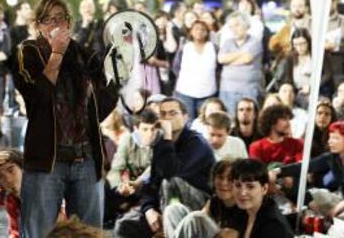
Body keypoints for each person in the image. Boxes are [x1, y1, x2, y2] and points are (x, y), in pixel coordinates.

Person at [12, 0, 118, 237]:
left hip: (86, 159)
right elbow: (37, 97)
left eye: (61, 18)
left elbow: (107, 98)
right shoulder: (27, 52)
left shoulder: (84, 53)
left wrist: (119, 75)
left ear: (70, 23)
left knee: (89, 233)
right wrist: (56, 55)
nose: (55, 25)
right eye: (48, 20)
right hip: (46, 162)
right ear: (37, 25)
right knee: (39, 232)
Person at [114, 97, 216, 238]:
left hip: (197, 208)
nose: (167, 118)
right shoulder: (162, 143)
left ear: (185, 117)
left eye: (173, 113)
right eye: (163, 114)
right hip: (165, 202)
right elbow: (154, 181)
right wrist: (149, 208)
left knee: (170, 182)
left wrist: (167, 137)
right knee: (124, 225)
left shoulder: (197, 144)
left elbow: (170, 174)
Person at [269, 120, 344, 197]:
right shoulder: (332, 157)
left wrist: (335, 209)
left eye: (335, 138)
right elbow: (305, 166)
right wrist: (277, 171)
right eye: (330, 137)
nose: (329, 141)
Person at [231, 158, 294, 238]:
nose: (242, 193)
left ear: (264, 189)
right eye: (238, 185)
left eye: (250, 187)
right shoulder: (241, 212)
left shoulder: (274, 227)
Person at [218, 11, 263, 116]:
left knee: (248, 122)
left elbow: (246, 58)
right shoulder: (227, 42)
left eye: (237, 25)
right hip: (227, 90)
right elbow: (220, 59)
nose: (234, 29)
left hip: (248, 91)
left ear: (246, 25)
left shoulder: (254, 42)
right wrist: (241, 53)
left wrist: (229, 61)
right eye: (231, 27)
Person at [173, 20, 218, 120]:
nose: (199, 31)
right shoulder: (185, 47)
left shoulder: (213, 48)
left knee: (206, 122)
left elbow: (219, 68)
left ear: (207, 32)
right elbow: (176, 67)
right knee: (187, 123)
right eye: (196, 29)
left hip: (208, 92)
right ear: (191, 32)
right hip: (185, 92)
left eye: (203, 29)